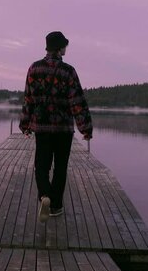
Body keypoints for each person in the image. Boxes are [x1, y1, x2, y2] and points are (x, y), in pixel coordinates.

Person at [19, 31, 93, 223]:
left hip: (42, 128)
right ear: (60, 48)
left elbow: (29, 99)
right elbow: (77, 101)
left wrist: (25, 124)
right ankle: (55, 206)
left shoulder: (34, 69)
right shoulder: (68, 71)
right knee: (60, 167)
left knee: (41, 166)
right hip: (63, 130)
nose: (66, 48)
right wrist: (85, 128)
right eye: (65, 45)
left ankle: (44, 195)